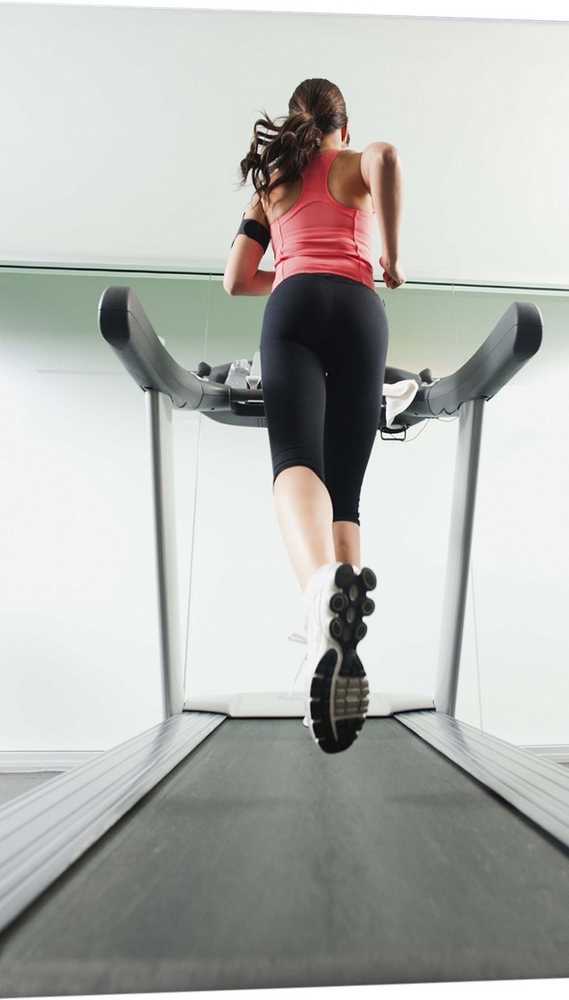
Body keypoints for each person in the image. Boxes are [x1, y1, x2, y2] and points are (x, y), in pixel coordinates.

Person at [223, 78, 405, 754]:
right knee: (346, 492)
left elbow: (235, 280)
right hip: (360, 312)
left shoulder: (272, 182)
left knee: (295, 461)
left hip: (293, 307)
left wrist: (296, 266)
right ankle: (344, 629)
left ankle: (319, 599)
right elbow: (384, 155)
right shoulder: (354, 163)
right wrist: (386, 255)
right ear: (342, 124)